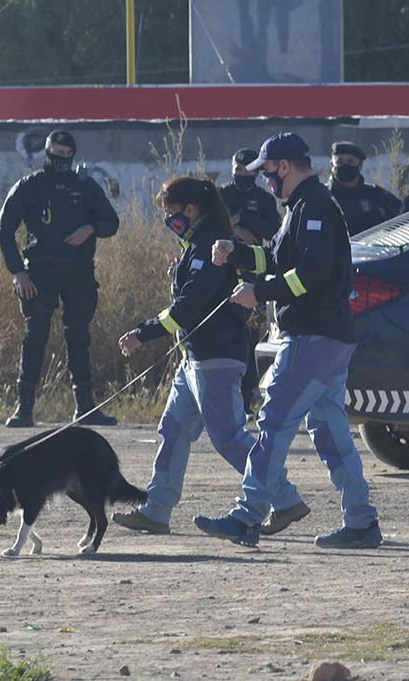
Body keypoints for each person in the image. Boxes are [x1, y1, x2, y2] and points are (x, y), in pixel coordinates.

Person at [194, 132, 382, 550]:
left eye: (268, 172)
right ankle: (362, 521)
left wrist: (257, 293)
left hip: (314, 337)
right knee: (330, 430)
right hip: (325, 338)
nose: (264, 181)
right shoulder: (301, 207)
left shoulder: (313, 206)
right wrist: (239, 253)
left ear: (283, 166)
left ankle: (247, 516)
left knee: (275, 421)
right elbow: (278, 260)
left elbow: (310, 274)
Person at [112, 176, 309, 536]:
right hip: (194, 359)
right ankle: (156, 510)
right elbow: (191, 293)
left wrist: (143, 334)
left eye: (171, 212)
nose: (168, 219)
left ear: (191, 209)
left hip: (215, 358)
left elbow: (187, 307)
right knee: (173, 430)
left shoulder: (208, 245)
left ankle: (284, 498)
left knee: (230, 438)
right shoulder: (197, 245)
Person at [0, 130, 119, 428]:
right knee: (34, 337)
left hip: (78, 271)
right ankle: (23, 409)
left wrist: (90, 228)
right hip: (39, 273)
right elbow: (4, 229)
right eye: (57, 155)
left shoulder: (86, 187)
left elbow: (111, 222)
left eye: (67, 155)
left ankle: (85, 408)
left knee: (79, 337)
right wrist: (19, 273)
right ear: (47, 154)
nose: (62, 161)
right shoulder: (30, 187)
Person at [219, 148, 282, 416]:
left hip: (253, 273)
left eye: (248, 171)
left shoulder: (264, 200)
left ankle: (246, 401)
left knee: (250, 335)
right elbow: (213, 225)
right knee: (226, 333)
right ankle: (225, 400)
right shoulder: (221, 195)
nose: (242, 175)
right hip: (224, 272)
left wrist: (242, 221)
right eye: (238, 170)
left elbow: (273, 231)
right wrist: (235, 230)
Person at [326, 141, 401, 236]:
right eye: (340, 162)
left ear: (360, 165)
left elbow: (402, 220)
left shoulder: (376, 196)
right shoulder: (323, 197)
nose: (345, 165)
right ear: (332, 165)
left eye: (351, 161)